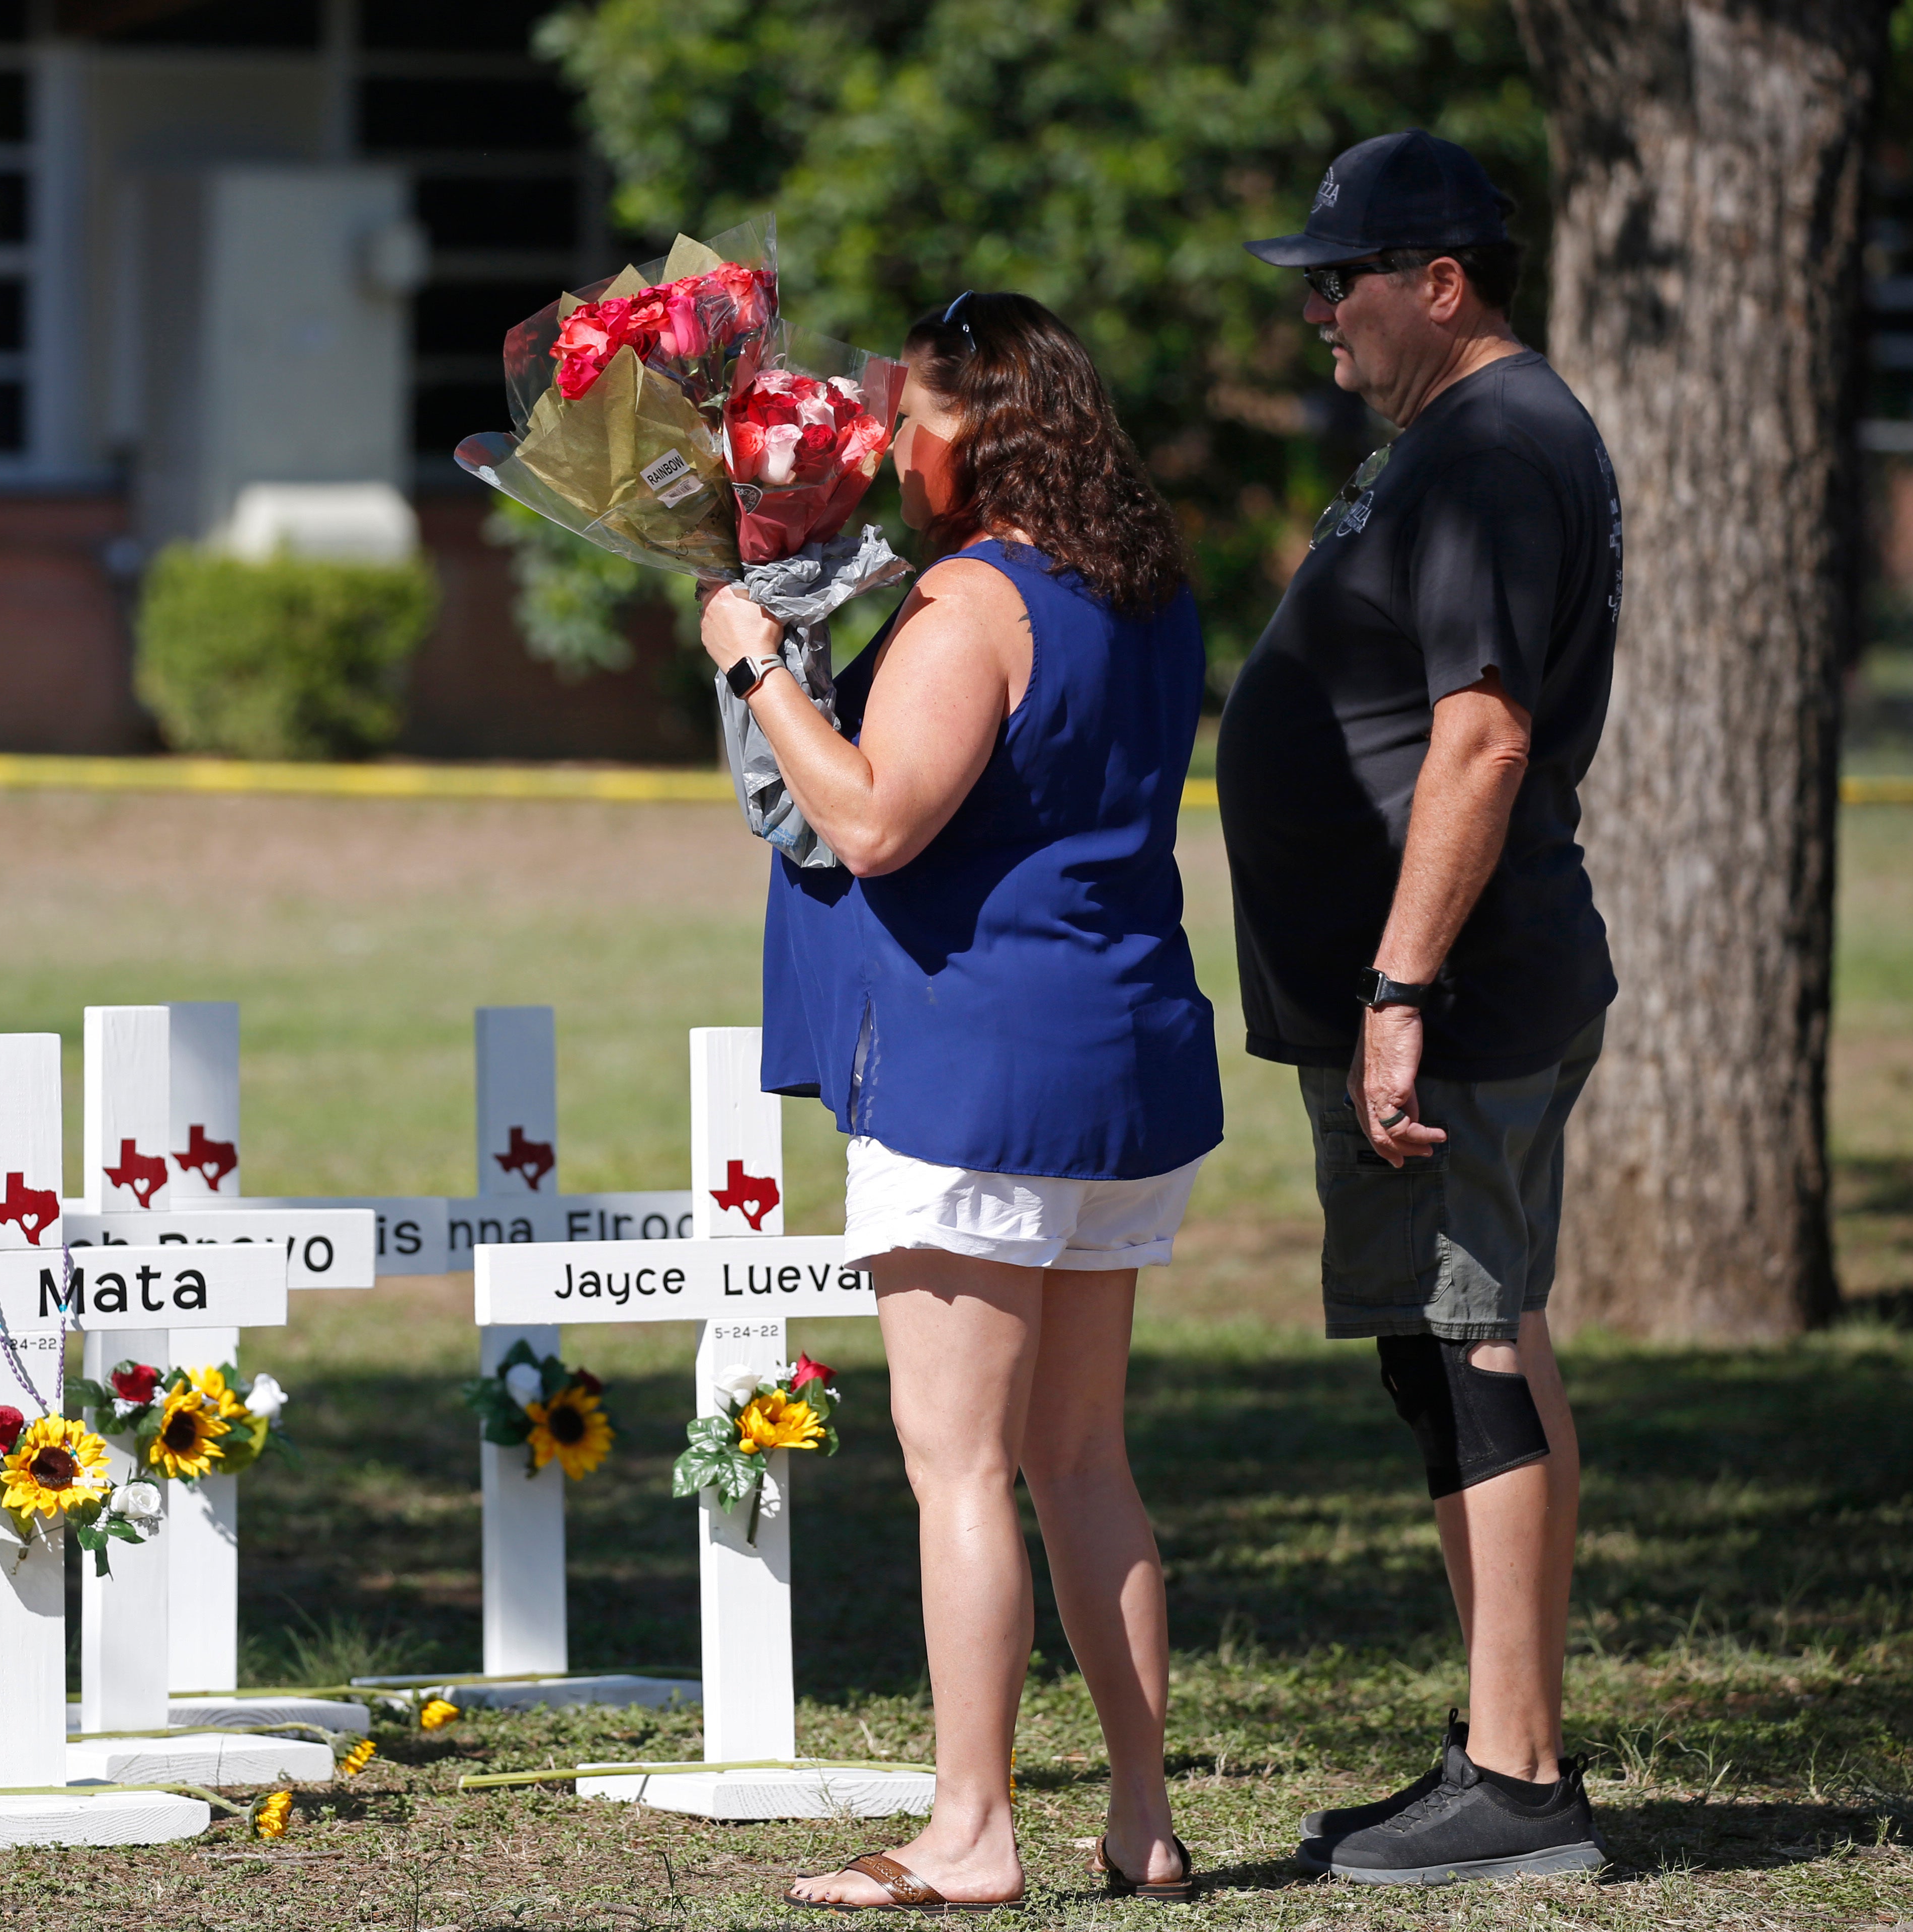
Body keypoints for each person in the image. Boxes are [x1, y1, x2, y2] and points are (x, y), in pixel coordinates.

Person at [701, 291, 1222, 1913]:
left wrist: (755, 661)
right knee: (1082, 1459)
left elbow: (869, 823)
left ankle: (971, 1830)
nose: (886, 447)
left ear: (981, 433)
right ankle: (1142, 1817)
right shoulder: (1140, 585)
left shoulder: (972, 605)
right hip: (1123, 1055)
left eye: (908, 422)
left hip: (980, 1064)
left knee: (958, 1467)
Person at [1218, 129, 1621, 1886]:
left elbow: (1481, 733)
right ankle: (1492, 1742)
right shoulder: (1449, 442)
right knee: (1453, 1345)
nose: (1320, 313)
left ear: (1439, 284)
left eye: (1342, 282)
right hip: (1422, 991)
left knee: (1471, 1351)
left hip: (1450, 998)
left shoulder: (1494, 450)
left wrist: (1397, 988)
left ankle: (1520, 1785)